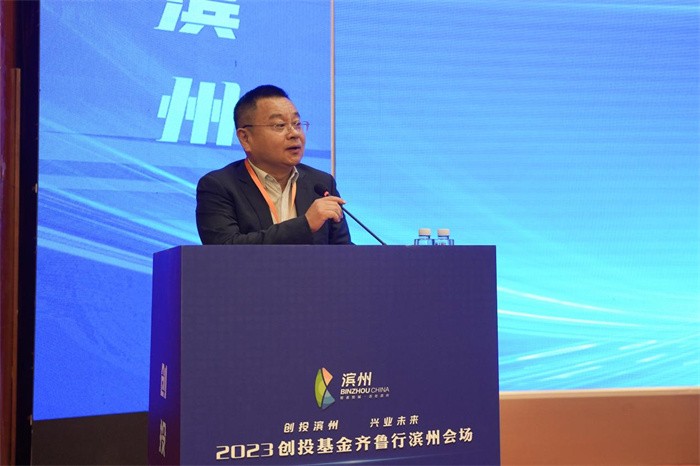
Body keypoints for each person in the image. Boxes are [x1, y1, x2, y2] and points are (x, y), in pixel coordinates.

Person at [196, 85, 352, 244]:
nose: (294, 134)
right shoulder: (218, 186)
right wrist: (305, 225)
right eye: (279, 125)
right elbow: (224, 249)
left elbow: (344, 252)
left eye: (297, 124)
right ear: (245, 138)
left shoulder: (321, 184)